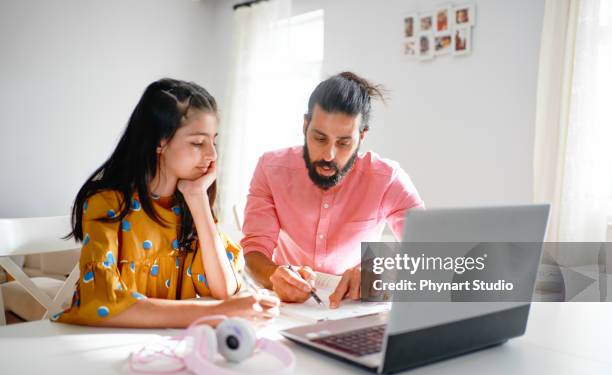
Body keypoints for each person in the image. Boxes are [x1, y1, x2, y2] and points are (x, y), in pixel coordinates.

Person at [56, 78, 278, 328]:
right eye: (197, 142)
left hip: (164, 346)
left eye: (213, 142)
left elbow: (224, 288)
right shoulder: (106, 203)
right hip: (102, 345)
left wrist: (198, 198)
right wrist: (219, 312)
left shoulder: (187, 206)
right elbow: (104, 303)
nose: (212, 155)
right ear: (159, 142)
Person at [241, 72, 424, 309]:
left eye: (343, 143)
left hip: (355, 306)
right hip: (286, 306)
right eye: (319, 139)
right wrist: (274, 274)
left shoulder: (387, 178)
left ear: (361, 136)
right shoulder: (270, 168)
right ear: (305, 125)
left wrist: (381, 273)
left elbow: (427, 250)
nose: (329, 155)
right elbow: (255, 249)